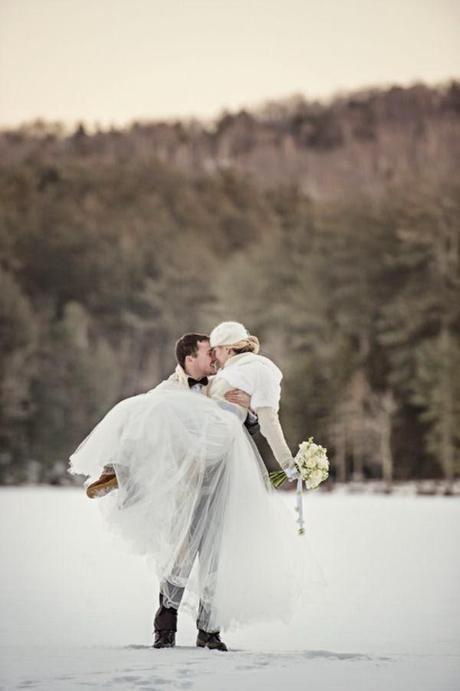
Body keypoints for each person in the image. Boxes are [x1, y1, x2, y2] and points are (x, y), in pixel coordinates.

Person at [69, 322, 321, 652]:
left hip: (223, 476)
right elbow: (150, 419)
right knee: (182, 552)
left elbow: (243, 417)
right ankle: (165, 623)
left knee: (216, 551)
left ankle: (209, 630)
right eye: (208, 353)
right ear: (190, 359)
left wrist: (250, 410)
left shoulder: (225, 379)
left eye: (217, 351)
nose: (215, 359)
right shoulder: (171, 388)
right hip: (187, 480)